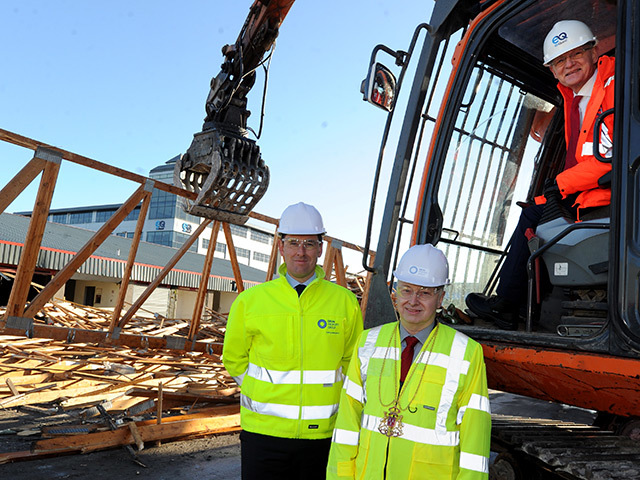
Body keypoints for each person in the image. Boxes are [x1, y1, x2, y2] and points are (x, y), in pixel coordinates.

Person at [466, 20, 615, 329]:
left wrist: (558, 187)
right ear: (552, 69)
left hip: (614, 197)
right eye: (560, 60)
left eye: (576, 54)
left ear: (594, 50)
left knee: (536, 213)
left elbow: (609, 159)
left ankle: (509, 304)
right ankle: (519, 306)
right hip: (597, 192)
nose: (569, 64)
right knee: (534, 211)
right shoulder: (574, 100)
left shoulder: (613, 85)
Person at [222, 202, 363, 480]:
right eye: (294, 242)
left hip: (323, 435)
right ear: (280, 246)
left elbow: (352, 362)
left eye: (309, 244)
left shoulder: (345, 302)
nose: (301, 251)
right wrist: (262, 393)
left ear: (320, 249)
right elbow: (234, 358)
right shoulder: (251, 301)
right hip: (263, 435)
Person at [327, 244, 491, 479]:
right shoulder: (367, 343)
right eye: (406, 290)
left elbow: (475, 442)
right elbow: (346, 424)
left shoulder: (466, 352)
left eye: (425, 292)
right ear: (395, 292)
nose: (413, 301)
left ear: (440, 298)